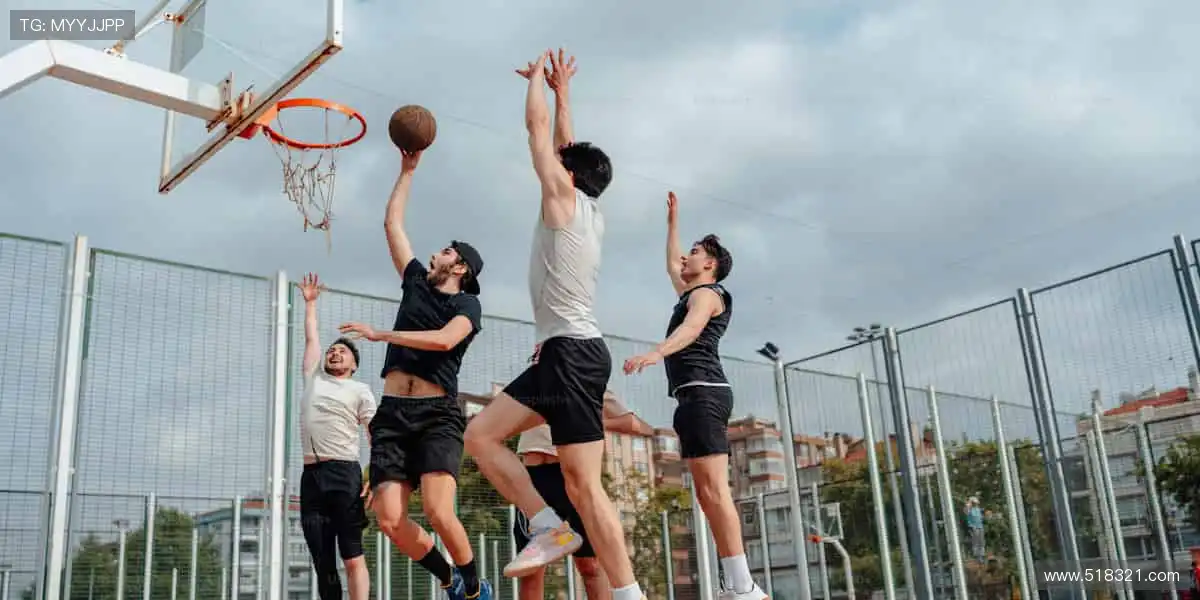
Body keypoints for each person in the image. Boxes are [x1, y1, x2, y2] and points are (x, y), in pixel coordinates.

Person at [463, 48, 646, 600]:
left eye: (562, 162)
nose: (555, 161)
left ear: (569, 175)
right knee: (481, 436)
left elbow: (538, 132)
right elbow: (566, 143)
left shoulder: (562, 196)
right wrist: (565, 92)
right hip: (565, 355)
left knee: (586, 488)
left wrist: (538, 85)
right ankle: (547, 525)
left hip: (569, 354)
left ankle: (628, 592)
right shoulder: (589, 207)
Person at [337, 148, 492, 600]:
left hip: (436, 414)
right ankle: (448, 579)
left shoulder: (467, 304)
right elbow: (392, 225)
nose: (437, 251)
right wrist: (406, 172)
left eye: (448, 249)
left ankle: (474, 586)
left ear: (459, 267)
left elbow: (446, 340)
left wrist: (383, 334)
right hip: (393, 415)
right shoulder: (414, 281)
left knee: (441, 513)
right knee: (388, 520)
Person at [621, 192, 766, 600]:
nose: (686, 257)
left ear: (712, 265)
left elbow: (690, 330)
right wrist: (673, 223)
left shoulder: (708, 296)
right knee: (705, 493)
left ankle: (744, 586)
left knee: (715, 491)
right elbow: (672, 264)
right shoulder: (690, 290)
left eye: (695, 252)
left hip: (705, 393)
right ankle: (736, 583)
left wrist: (655, 352)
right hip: (691, 396)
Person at [513, 368, 638, 600]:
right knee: (531, 570)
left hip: (576, 476)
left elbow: (632, 423)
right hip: (535, 480)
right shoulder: (534, 379)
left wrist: (586, 417)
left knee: (590, 566)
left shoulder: (588, 376)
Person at [297, 273, 376, 600]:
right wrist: (311, 305)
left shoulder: (360, 390)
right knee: (322, 559)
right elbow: (312, 340)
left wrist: (377, 475)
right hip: (311, 476)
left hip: (345, 474)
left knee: (352, 556)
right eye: (333, 350)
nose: (335, 352)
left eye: (343, 351)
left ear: (354, 365)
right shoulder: (313, 376)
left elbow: (376, 435)